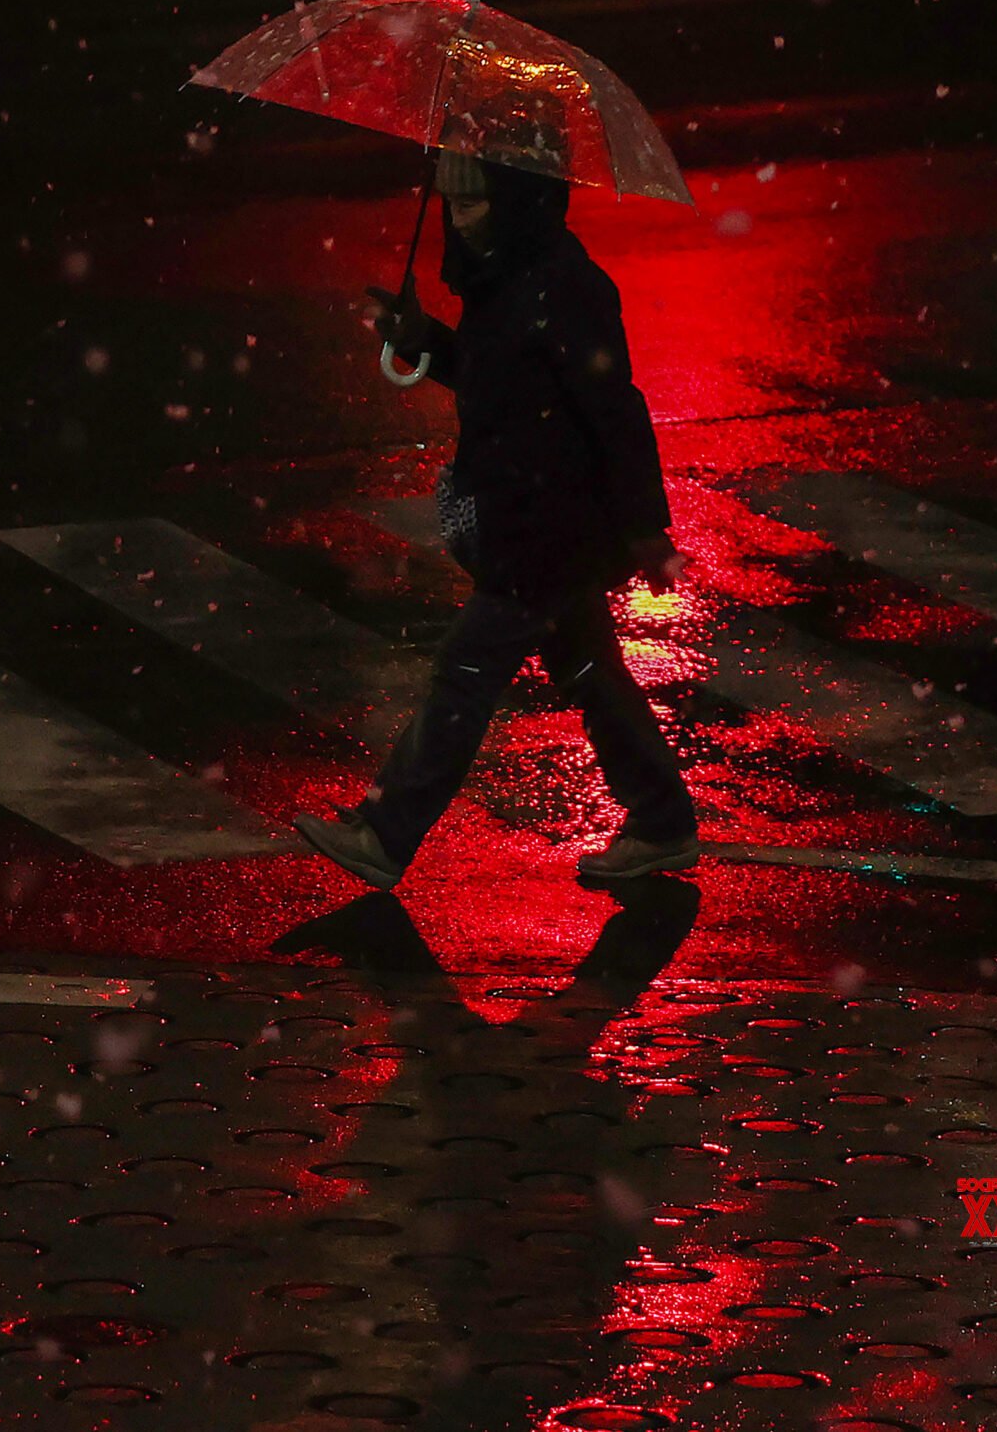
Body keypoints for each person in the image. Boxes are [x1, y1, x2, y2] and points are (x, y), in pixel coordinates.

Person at [294, 144, 700, 888]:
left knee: (465, 673)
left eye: (476, 201)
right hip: (527, 514)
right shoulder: (503, 278)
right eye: (453, 203)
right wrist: (426, 344)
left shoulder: (566, 287)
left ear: (519, 201)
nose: (462, 219)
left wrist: (647, 528)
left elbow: (616, 411)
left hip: (548, 523)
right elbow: (500, 379)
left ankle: (384, 835)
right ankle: (664, 821)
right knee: (588, 672)